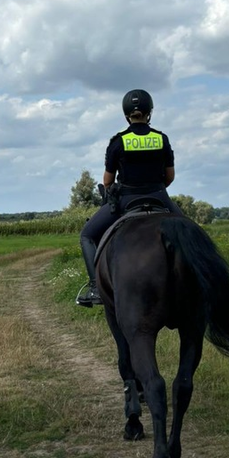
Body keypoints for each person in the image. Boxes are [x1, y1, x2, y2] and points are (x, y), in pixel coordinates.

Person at [77, 89, 184, 307]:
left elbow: (107, 181)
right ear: (150, 112)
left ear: (126, 114)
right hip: (160, 197)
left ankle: (96, 288)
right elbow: (170, 176)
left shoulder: (118, 142)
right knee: (192, 232)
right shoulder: (161, 139)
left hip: (126, 200)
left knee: (87, 235)